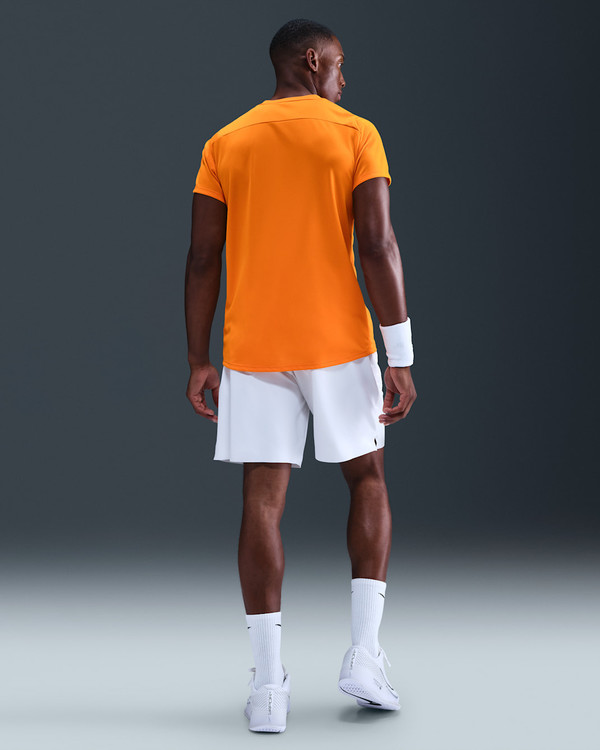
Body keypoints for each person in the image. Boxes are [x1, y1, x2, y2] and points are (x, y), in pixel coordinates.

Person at [184, 18, 417, 733]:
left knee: (262, 503)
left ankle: (268, 687)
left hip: (254, 346)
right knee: (367, 479)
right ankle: (365, 657)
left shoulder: (226, 142)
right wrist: (400, 353)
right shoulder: (356, 134)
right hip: (338, 341)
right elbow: (377, 244)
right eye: (340, 66)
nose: (345, 80)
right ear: (313, 62)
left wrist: (198, 358)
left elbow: (202, 258)